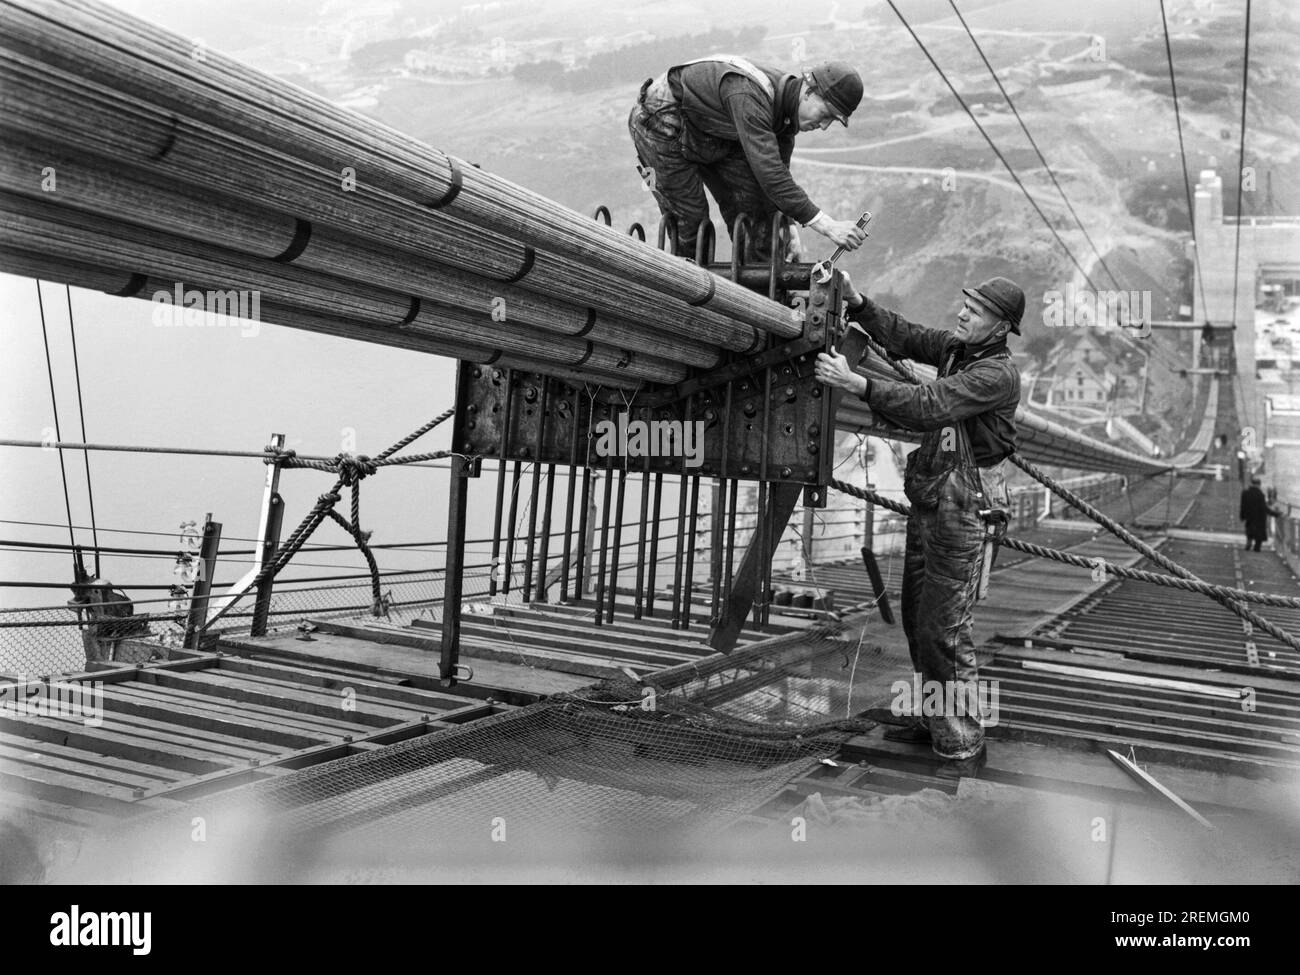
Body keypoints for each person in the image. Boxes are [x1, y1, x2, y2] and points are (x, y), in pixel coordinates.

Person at [815, 274, 1024, 779]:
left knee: (944, 627)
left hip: (967, 507)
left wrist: (857, 384)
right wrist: (860, 303)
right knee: (916, 615)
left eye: (976, 310)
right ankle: (934, 716)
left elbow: (930, 405)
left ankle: (961, 735)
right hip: (934, 498)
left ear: (1000, 327)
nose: (964, 313)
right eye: (966, 302)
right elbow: (906, 335)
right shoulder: (958, 351)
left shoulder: (996, 374)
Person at [628, 56, 868, 262]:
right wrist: (828, 226)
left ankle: (757, 300)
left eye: (832, 121)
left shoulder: (784, 116)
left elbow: (776, 179)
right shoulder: (748, 94)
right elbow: (771, 175)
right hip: (660, 125)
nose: (824, 126)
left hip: (712, 131)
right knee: (691, 224)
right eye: (825, 114)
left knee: (759, 217)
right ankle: (684, 292)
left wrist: (787, 227)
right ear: (808, 91)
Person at [1240, 475, 1280, 551]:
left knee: (1249, 530)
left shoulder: (1245, 493)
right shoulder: (1260, 495)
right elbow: (1264, 508)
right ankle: (1257, 547)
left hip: (1249, 516)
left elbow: (1243, 505)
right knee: (1259, 533)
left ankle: (1249, 541)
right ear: (1259, 484)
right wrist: (1276, 514)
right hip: (1259, 517)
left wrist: (1242, 515)